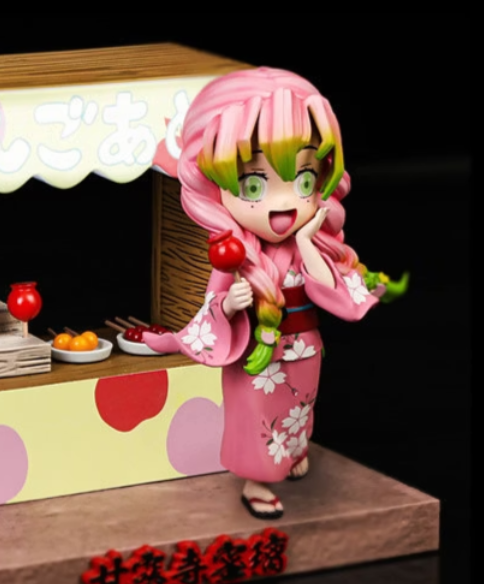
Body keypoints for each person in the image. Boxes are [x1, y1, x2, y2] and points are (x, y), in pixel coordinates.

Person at [143, 67, 407, 519]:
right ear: (215, 187)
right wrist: (229, 304)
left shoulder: (310, 245)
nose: (283, 203)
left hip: (305, 346)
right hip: (257, 354)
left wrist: (307, 241)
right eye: (254, 185)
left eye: (303, 181)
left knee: (299, 408)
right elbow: (211, 308)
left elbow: (332, 293)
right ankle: (256, 480)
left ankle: (294, 452)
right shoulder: (235, 255)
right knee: (256, 415)